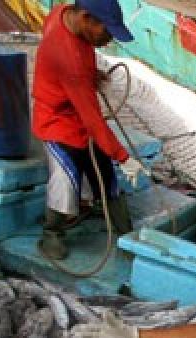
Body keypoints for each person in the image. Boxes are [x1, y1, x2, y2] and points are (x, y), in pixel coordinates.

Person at [32, 0, 147, 260]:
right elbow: (94, 120)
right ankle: (52, 233)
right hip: (57, 120)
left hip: (75, 103)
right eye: (106, 31)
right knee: (66, 177)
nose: (108, 40)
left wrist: (89, 72)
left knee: (105, 171)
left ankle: (122, 231)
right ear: (86, 18)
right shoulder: (69, 58)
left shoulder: (62, 11)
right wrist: (125, 157)